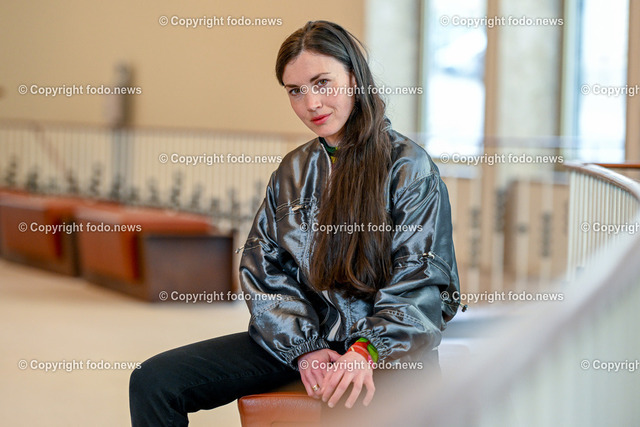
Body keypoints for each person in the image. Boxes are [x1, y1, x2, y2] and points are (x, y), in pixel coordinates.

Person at [129, 20, 461, 426]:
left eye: (322, 83)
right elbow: (264, 266)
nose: (311, 103)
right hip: (310, 337)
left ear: (354, 78)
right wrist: (304, 347)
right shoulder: (293, 170)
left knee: (343, 399)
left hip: (389, 350)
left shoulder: (409, 167)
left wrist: (365, 350)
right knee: (155, 381)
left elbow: (420, 279)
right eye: (295, 90)